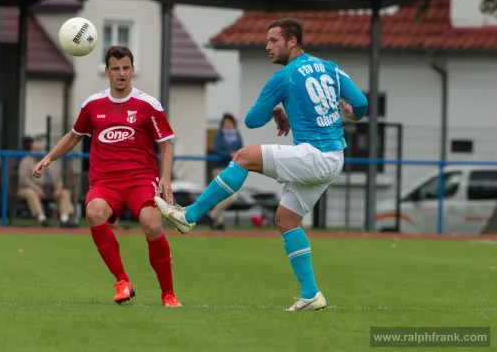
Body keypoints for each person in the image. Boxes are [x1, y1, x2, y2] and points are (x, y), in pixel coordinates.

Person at [155, 18, 368, 311]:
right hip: (335, 157)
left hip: (314, 156)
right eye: (266, 41)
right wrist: (350, 113)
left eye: (274, 41)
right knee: (286, 220)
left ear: (292, 42)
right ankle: (311, 295)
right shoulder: (331, 67)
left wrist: (276, 108)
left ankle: (189, 215)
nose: (267, 47)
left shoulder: (285, 77)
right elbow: (361, 105)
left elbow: (253, 120)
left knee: (242, 157)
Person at [32, 46, 182, 308]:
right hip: (105, 182)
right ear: (107, 72)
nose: (121, 74)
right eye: (116, 69)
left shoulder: (148, 105)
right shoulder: (93, 105)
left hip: (140, 179)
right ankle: (122, 281)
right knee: (93, 212)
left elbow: (166, 144)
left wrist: (165, 178)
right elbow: (74, 136)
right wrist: (49, 157)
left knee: (153, 225)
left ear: (133, 70)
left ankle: (168, 294)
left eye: (126, 68)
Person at [17, 140, 76, 227]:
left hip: (49, 190)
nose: (39, 152)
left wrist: (58, 189)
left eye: (41, 150)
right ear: (32, 150)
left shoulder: (51, 161)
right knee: (31, 193)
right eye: (37, 150)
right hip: (30, 189)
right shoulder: (26, 161)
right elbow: (24, 179)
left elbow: (59, 179)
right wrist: (36, 189)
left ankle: (64, 219)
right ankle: (42, 218)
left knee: (64, 193)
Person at [210, 113, 244, 230]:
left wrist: (235, 154)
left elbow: (241, 149)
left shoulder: (237, 135)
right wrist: (230, 154)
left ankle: (214, 217)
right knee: (221, 196)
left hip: (233, 168)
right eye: (226, 123)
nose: (228, 125)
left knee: (231, 197)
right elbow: (217, 150)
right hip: (220, 168)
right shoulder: (219, 136)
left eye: (230, 123)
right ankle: (218, 223)